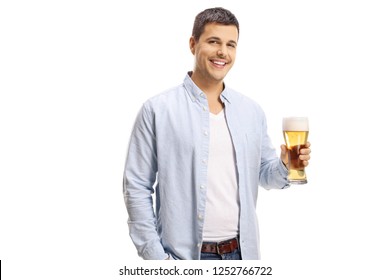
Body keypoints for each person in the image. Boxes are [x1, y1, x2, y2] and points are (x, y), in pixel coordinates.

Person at [123, 7, 311, 260]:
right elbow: (136, 186)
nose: (223, 52)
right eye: (214, 42)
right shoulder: (157, 109)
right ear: (193, 44)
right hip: (184, 258)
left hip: (243, 253)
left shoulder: (251, 111)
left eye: (230, 44)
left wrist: (285, 165)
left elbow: (266, 176)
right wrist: (157, 260)